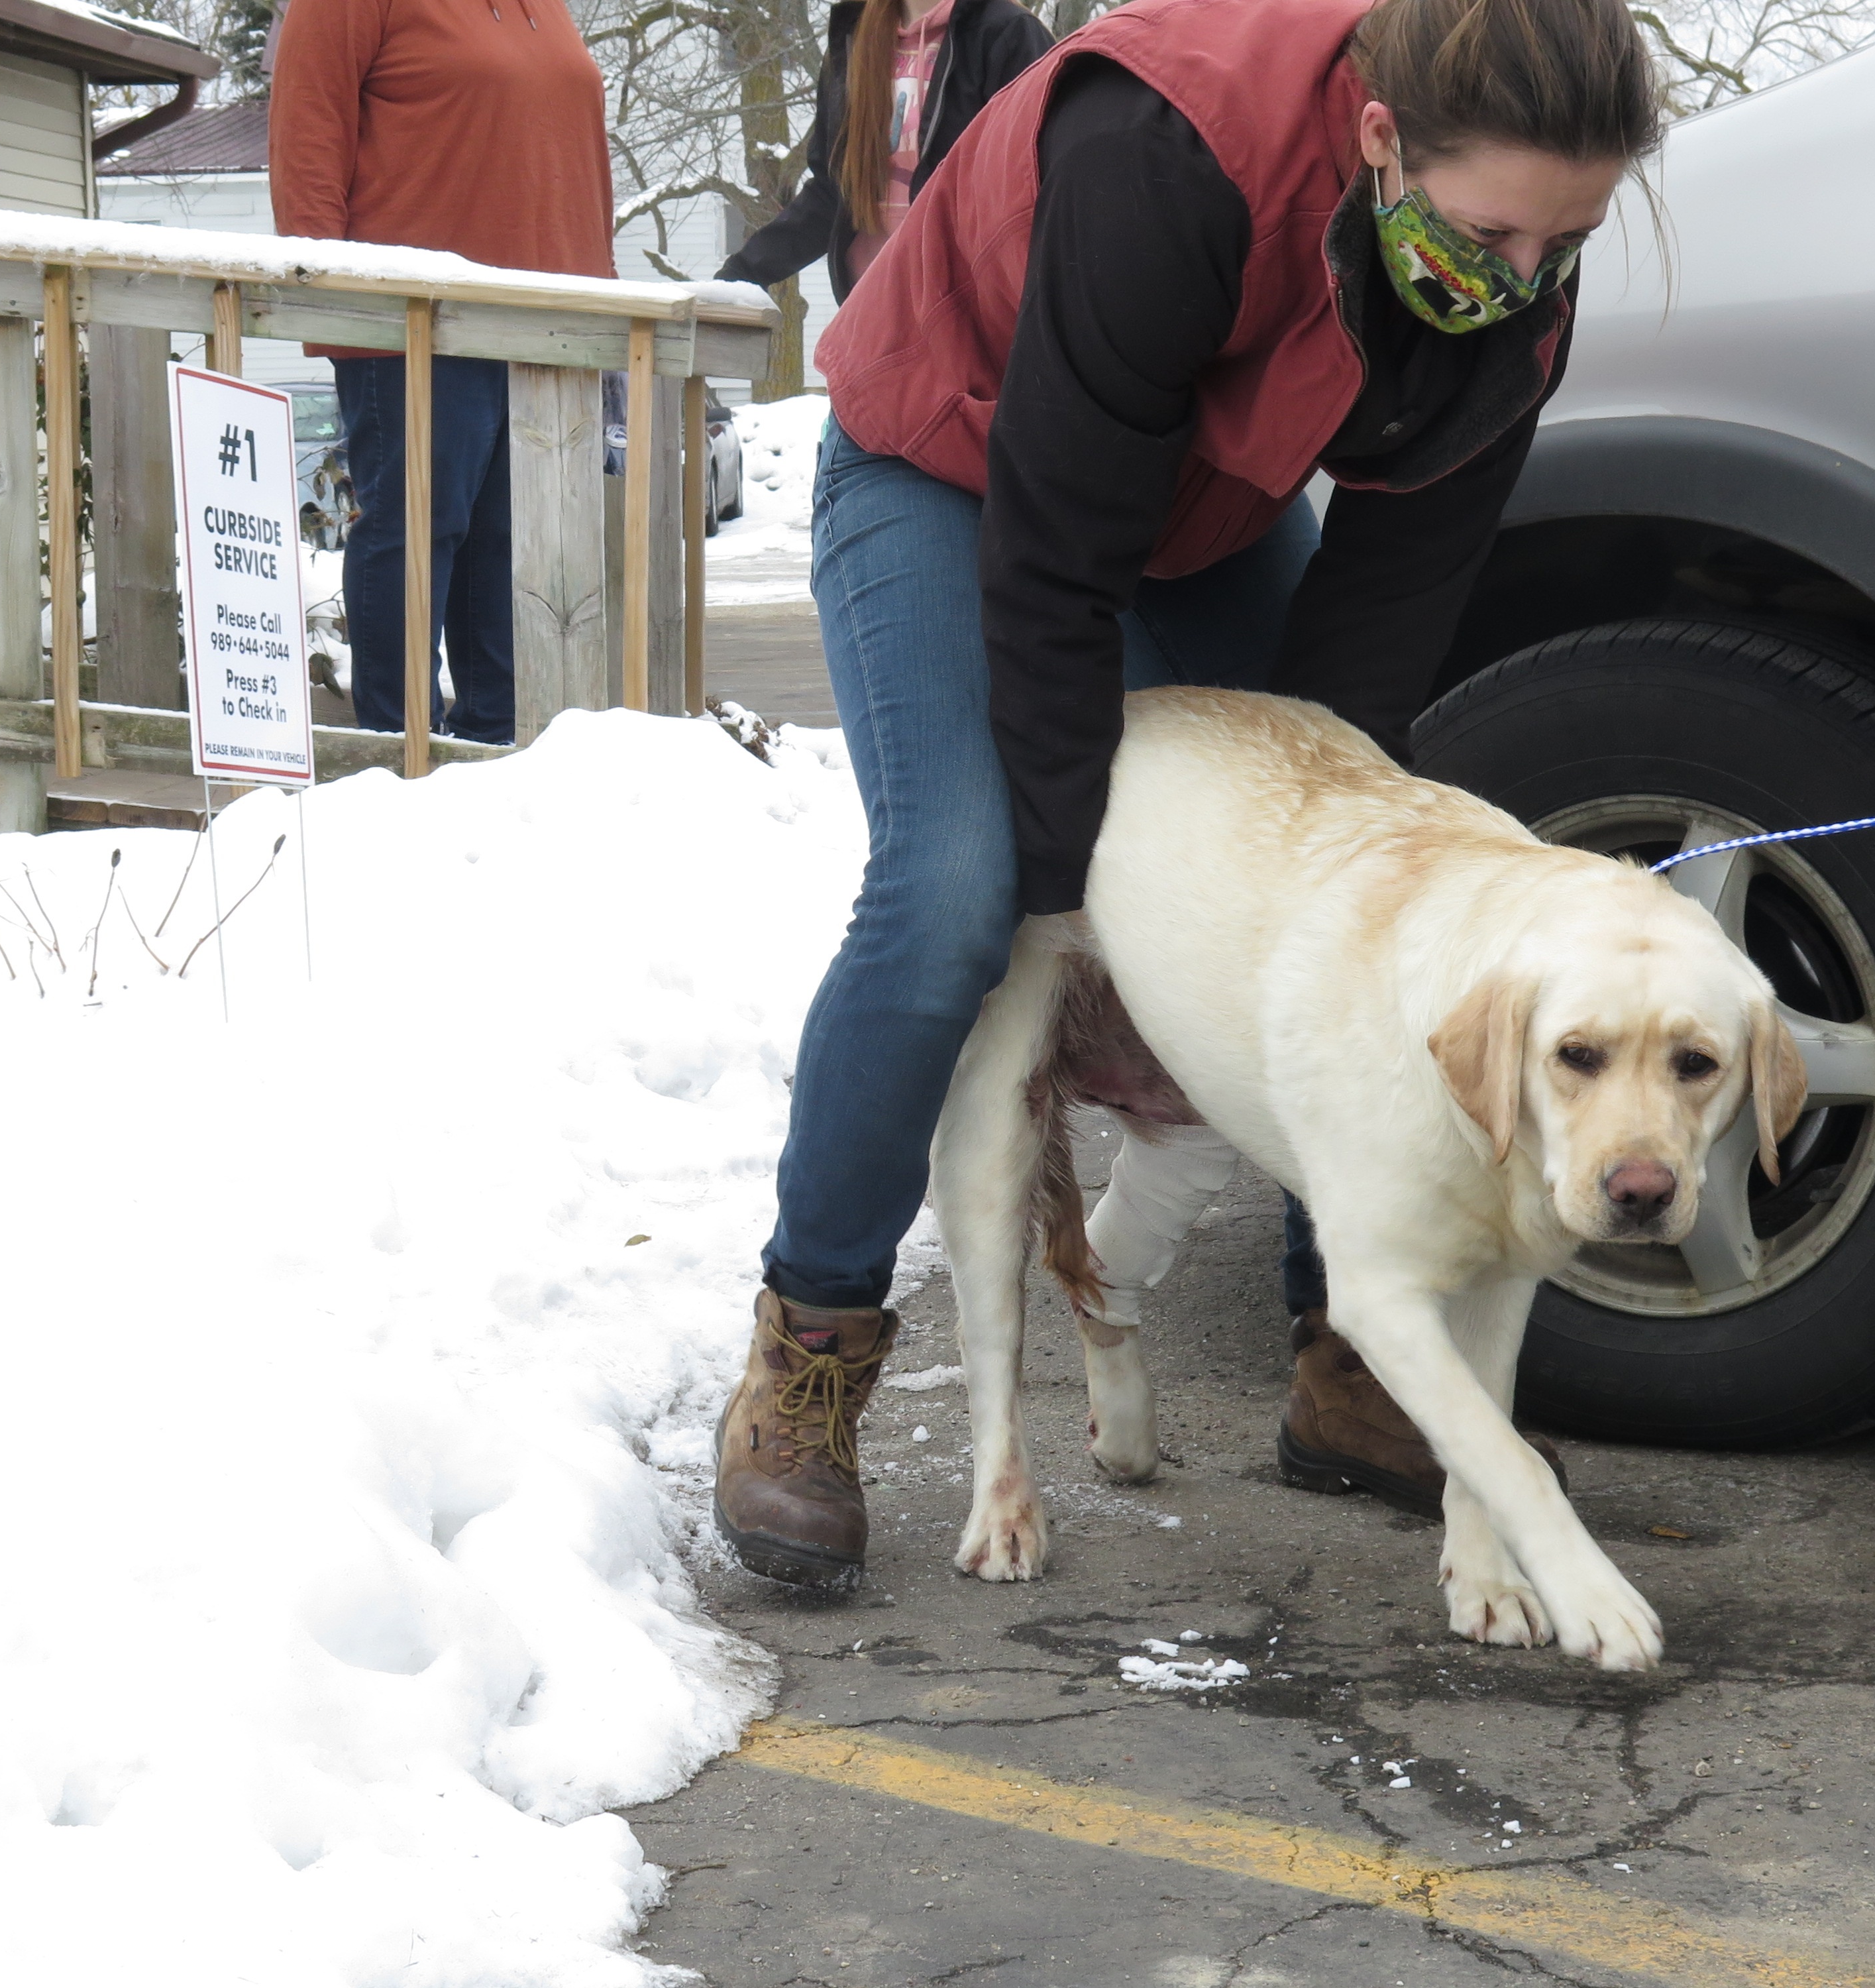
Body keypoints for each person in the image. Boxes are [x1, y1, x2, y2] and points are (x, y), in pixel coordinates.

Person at [711, 0, 1661, 1587]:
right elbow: (1054, 557)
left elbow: (1374, 635)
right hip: (953, 469)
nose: (1521, 273)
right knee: (959, 894)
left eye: (1568, 236)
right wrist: (1096, 921)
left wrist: (1280, 890)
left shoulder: (1515, 285)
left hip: (1201, 511)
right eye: (1494, 227)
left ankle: (1357, 1351)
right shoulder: (1168, 148)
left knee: (1373, 866)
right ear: (1378, 139)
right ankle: (808, 1350)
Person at [270, 0, 615, 745]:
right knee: (416, 529)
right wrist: (330, 300)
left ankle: (494, 739)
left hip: (543, 325)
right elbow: (309, 131)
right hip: (414, 323)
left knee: (509, 546)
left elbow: (571, 155)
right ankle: (402, 749)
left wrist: (603, 304)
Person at [717, 0, 1052, 302]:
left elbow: (1039, 193)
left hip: (964, 318)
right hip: (870, 317)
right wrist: (737, 278)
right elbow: (832, 193)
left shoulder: (1008, 34)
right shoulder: (855, 36)